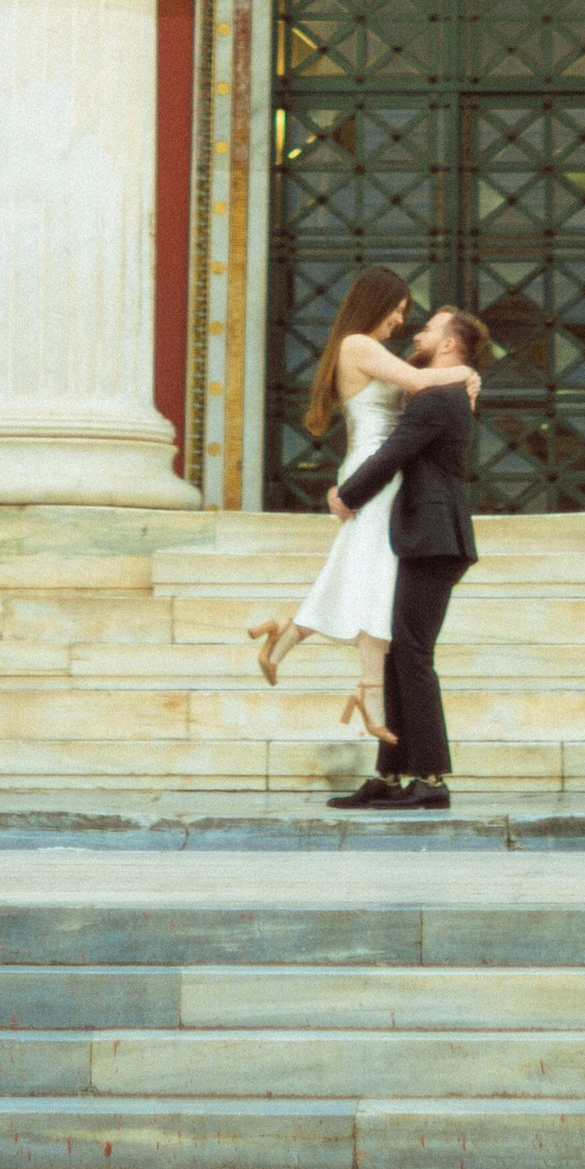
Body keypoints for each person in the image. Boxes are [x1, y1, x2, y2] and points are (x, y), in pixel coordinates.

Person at [247, 271, 481, 742]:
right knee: (375, 582)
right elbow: (417, 379)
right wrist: (467, 371)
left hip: (380, 471)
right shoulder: (357, 344)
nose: (400, 321)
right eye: (396, 310)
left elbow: (416, 392)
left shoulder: (368, 350)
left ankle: (292, 633)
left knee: (365, 574)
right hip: (374, 471)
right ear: (376, 303)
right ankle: (365, 687)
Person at [325, 304, 491, 815]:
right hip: (424, 537)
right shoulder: (439, 389)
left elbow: (394, 451)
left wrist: (346, 496)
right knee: (400, 652)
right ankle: (394, 774)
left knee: (413, 655)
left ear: (448, 345)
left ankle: (431, 779)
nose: (416, 332)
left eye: (429, 328)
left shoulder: (437, 397)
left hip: (434, 538)